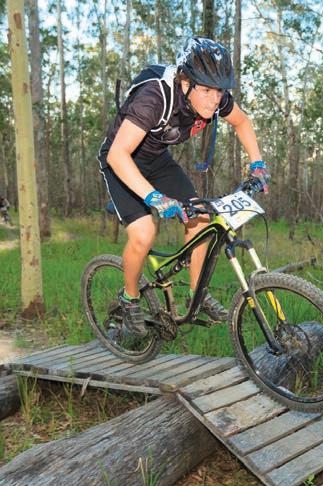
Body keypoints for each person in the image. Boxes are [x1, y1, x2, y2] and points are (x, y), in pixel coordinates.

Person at [98, 36, 269, 335]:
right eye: (207, 91)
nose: (214, 99)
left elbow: (242, 122)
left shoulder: (215, 98)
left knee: (201, 220)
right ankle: (129, 298)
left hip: (157, 160)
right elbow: (117, 154)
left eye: (219, 91)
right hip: (121, 161)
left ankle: (195, 297)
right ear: (185, 82)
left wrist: (257, 165)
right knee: (143, 233)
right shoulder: (154, 98)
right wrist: (155, 198)